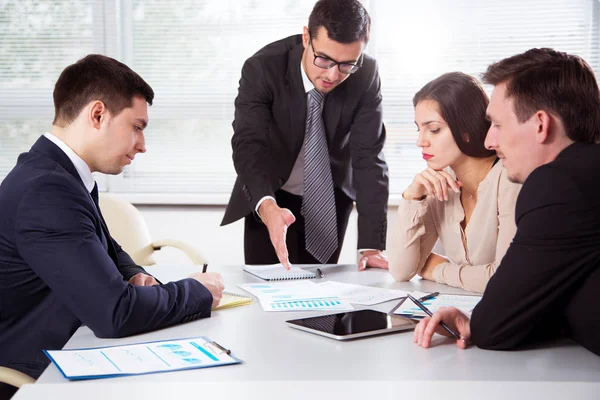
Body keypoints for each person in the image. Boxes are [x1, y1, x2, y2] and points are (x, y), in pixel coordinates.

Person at [0, 54, 225, 397]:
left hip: (70, 346)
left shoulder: (62, 174)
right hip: (34, 374)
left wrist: (135, 273)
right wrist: (197, 291)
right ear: (98, 114)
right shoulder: (46, 189)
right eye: (137, 127)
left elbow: (107, 247)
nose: (143, 145)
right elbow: (115, 313)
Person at [413, 48, 600, 357]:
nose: (489, 141)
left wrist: (480, 322)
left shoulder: (558, 185)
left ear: (540, 124)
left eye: (498, 124)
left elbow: (494, 328)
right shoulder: (586, 172)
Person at [221, 0, 389, 269]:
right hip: (270, 192)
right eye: (323, 59)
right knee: (269, 291)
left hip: (328, 196)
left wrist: (371, 246)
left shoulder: (366, 74)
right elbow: (248, 145)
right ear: (306, 37)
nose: (333, 75)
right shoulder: (263, 68)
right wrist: (266, 206)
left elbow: (369, 158)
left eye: (347, 64)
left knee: (321, 292)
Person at [360, 72, 521, 294]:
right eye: (419, 128)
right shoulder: (438, 182)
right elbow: (401, 271)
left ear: (466, 129)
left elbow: (504, 279)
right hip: (461, 312)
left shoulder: (510, 178)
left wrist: (438, 269)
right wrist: (412, 196)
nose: (420, 141)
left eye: (434, 129)